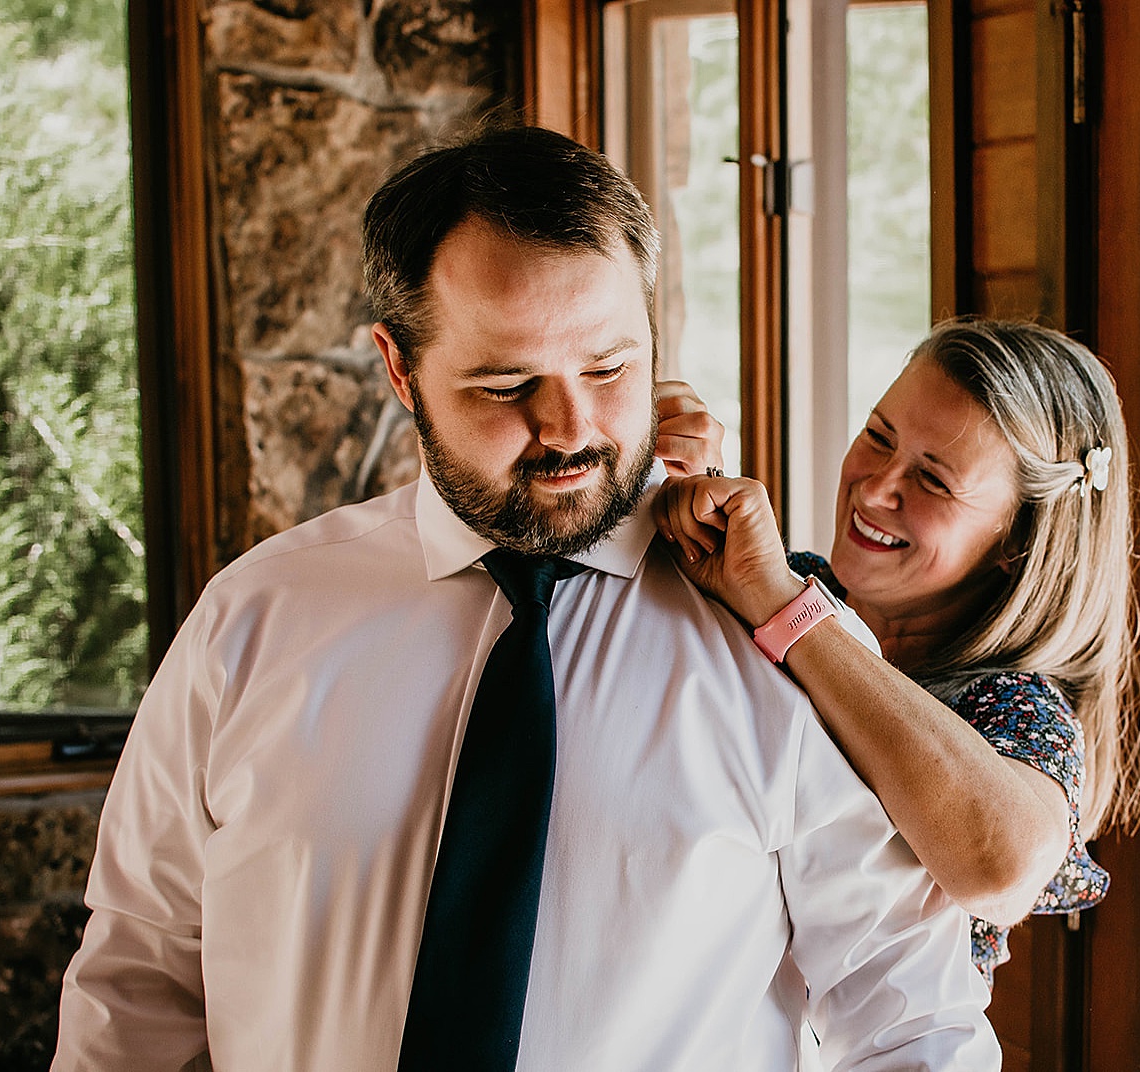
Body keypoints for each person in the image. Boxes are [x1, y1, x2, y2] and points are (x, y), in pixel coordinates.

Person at [52, 123, 1000, 1071]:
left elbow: (915, 1023)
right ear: (399, 368)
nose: (570, 428)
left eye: (609, 367)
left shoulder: (786, 649)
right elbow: (139, 981)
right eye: (506, 384)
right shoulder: (251, 622)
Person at [654, 318, 1140, 985]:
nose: (876, 487)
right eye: (879, 436)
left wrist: (784, 608)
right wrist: (681, 485)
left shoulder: (1016, 709)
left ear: (1017, 543)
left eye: (934, 481)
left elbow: (1000, 866)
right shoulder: (795, 582)